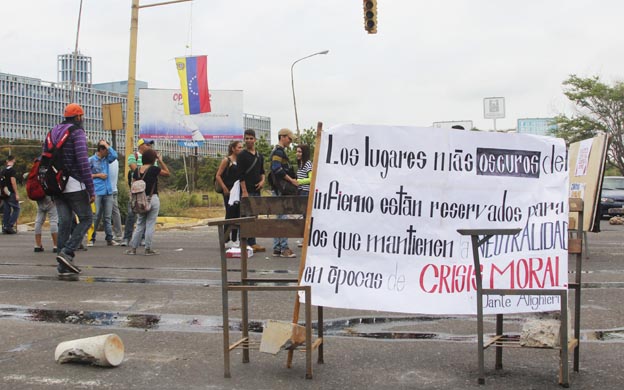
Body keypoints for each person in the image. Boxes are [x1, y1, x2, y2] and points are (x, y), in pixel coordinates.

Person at [49, 103, 95, 275]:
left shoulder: (54, 131)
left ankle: (62, 265)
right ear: (78, 117)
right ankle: (67, 252)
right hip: (74, 184)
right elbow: (83, 161)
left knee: (65, 222)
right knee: (86, 218)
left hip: (55, 185)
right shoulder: (77, 133)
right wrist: (91, 189)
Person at [125, 148, 170, 255]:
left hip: (140, 200)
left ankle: (133, 249)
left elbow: (134, 186)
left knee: (140, 224)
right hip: (152, 198)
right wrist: (160, 161)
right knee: (150, 224)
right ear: (153, 159)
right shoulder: (154, 169)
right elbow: (167, 173)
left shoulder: (137, 170)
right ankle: (147, 248)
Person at [270, 128, 298, 258]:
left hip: (277, 189)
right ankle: (284, 248)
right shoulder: (279, 152)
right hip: (280, 189)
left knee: (279, 218)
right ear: (282, 137)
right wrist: (290, 179)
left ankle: (277, 248)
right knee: (283, 218)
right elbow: (277, 168)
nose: (290, 141)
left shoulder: (277, 151)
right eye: (289, 138)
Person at [122, 138, 154, 247]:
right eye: (147, 144)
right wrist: (147, 170)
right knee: (131, 214)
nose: (150, 147)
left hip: (148, 190)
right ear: (141, 145)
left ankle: (143, 238)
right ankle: (126, 237)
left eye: (150, 145)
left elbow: (154, 171)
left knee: (145, 213)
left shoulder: (153, 158)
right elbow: (135, 170)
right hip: (136, 190)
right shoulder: (133, 156)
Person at [238, 129, 266, 253]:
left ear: (255, 139)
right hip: (247, 191)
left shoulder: (259, 156)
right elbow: (240, 175)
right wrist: (244, 191)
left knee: (254, 216)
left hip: (256, 190)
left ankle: (253, 242)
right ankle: (243, 242)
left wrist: (262, 181)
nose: (249, 140)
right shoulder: (242, 155)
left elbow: (262, 171)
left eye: (251, 138)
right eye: (247, 138)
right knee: (245, 216)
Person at [89, 139, 119, 246]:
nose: (108, 152)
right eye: (106, 149)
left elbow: (115, 155)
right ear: (101, 150)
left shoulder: (107, 159)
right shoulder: (91, 160)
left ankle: (109, 238)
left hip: (108, 190)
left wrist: (107, 145)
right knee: (96, 215)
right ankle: (91, 238)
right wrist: (98, 175)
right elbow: (85, 175)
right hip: (97, 190)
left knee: (107, 216)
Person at [215, 140, 243, 248]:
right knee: (229, 214)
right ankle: (226, 239)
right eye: (239, 147)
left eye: (241, 147)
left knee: (237, 214)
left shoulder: (240, 161)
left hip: (238, 191)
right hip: (228, 191)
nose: (240, 149)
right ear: (233, 149)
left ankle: (235, 239)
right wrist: (224, 187)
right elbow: (218, 175)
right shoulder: (227, 160)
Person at [2, 155, 20, 234]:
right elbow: (13, 182)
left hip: (4, 193)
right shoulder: (12, 170)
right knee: (16, 209)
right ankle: (10, 225)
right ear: (13, 160)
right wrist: (16, 193)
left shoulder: (3, 170)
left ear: (7, 161)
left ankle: (5, 226)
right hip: (11, 192)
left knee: (7, 210)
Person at [109, 158, 123, 240]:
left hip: (105, 190)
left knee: (97, 214)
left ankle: (91, 235)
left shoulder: (105, 161)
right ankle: (118, 234)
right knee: (115, 212)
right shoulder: (116, 161)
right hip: (114, 189)